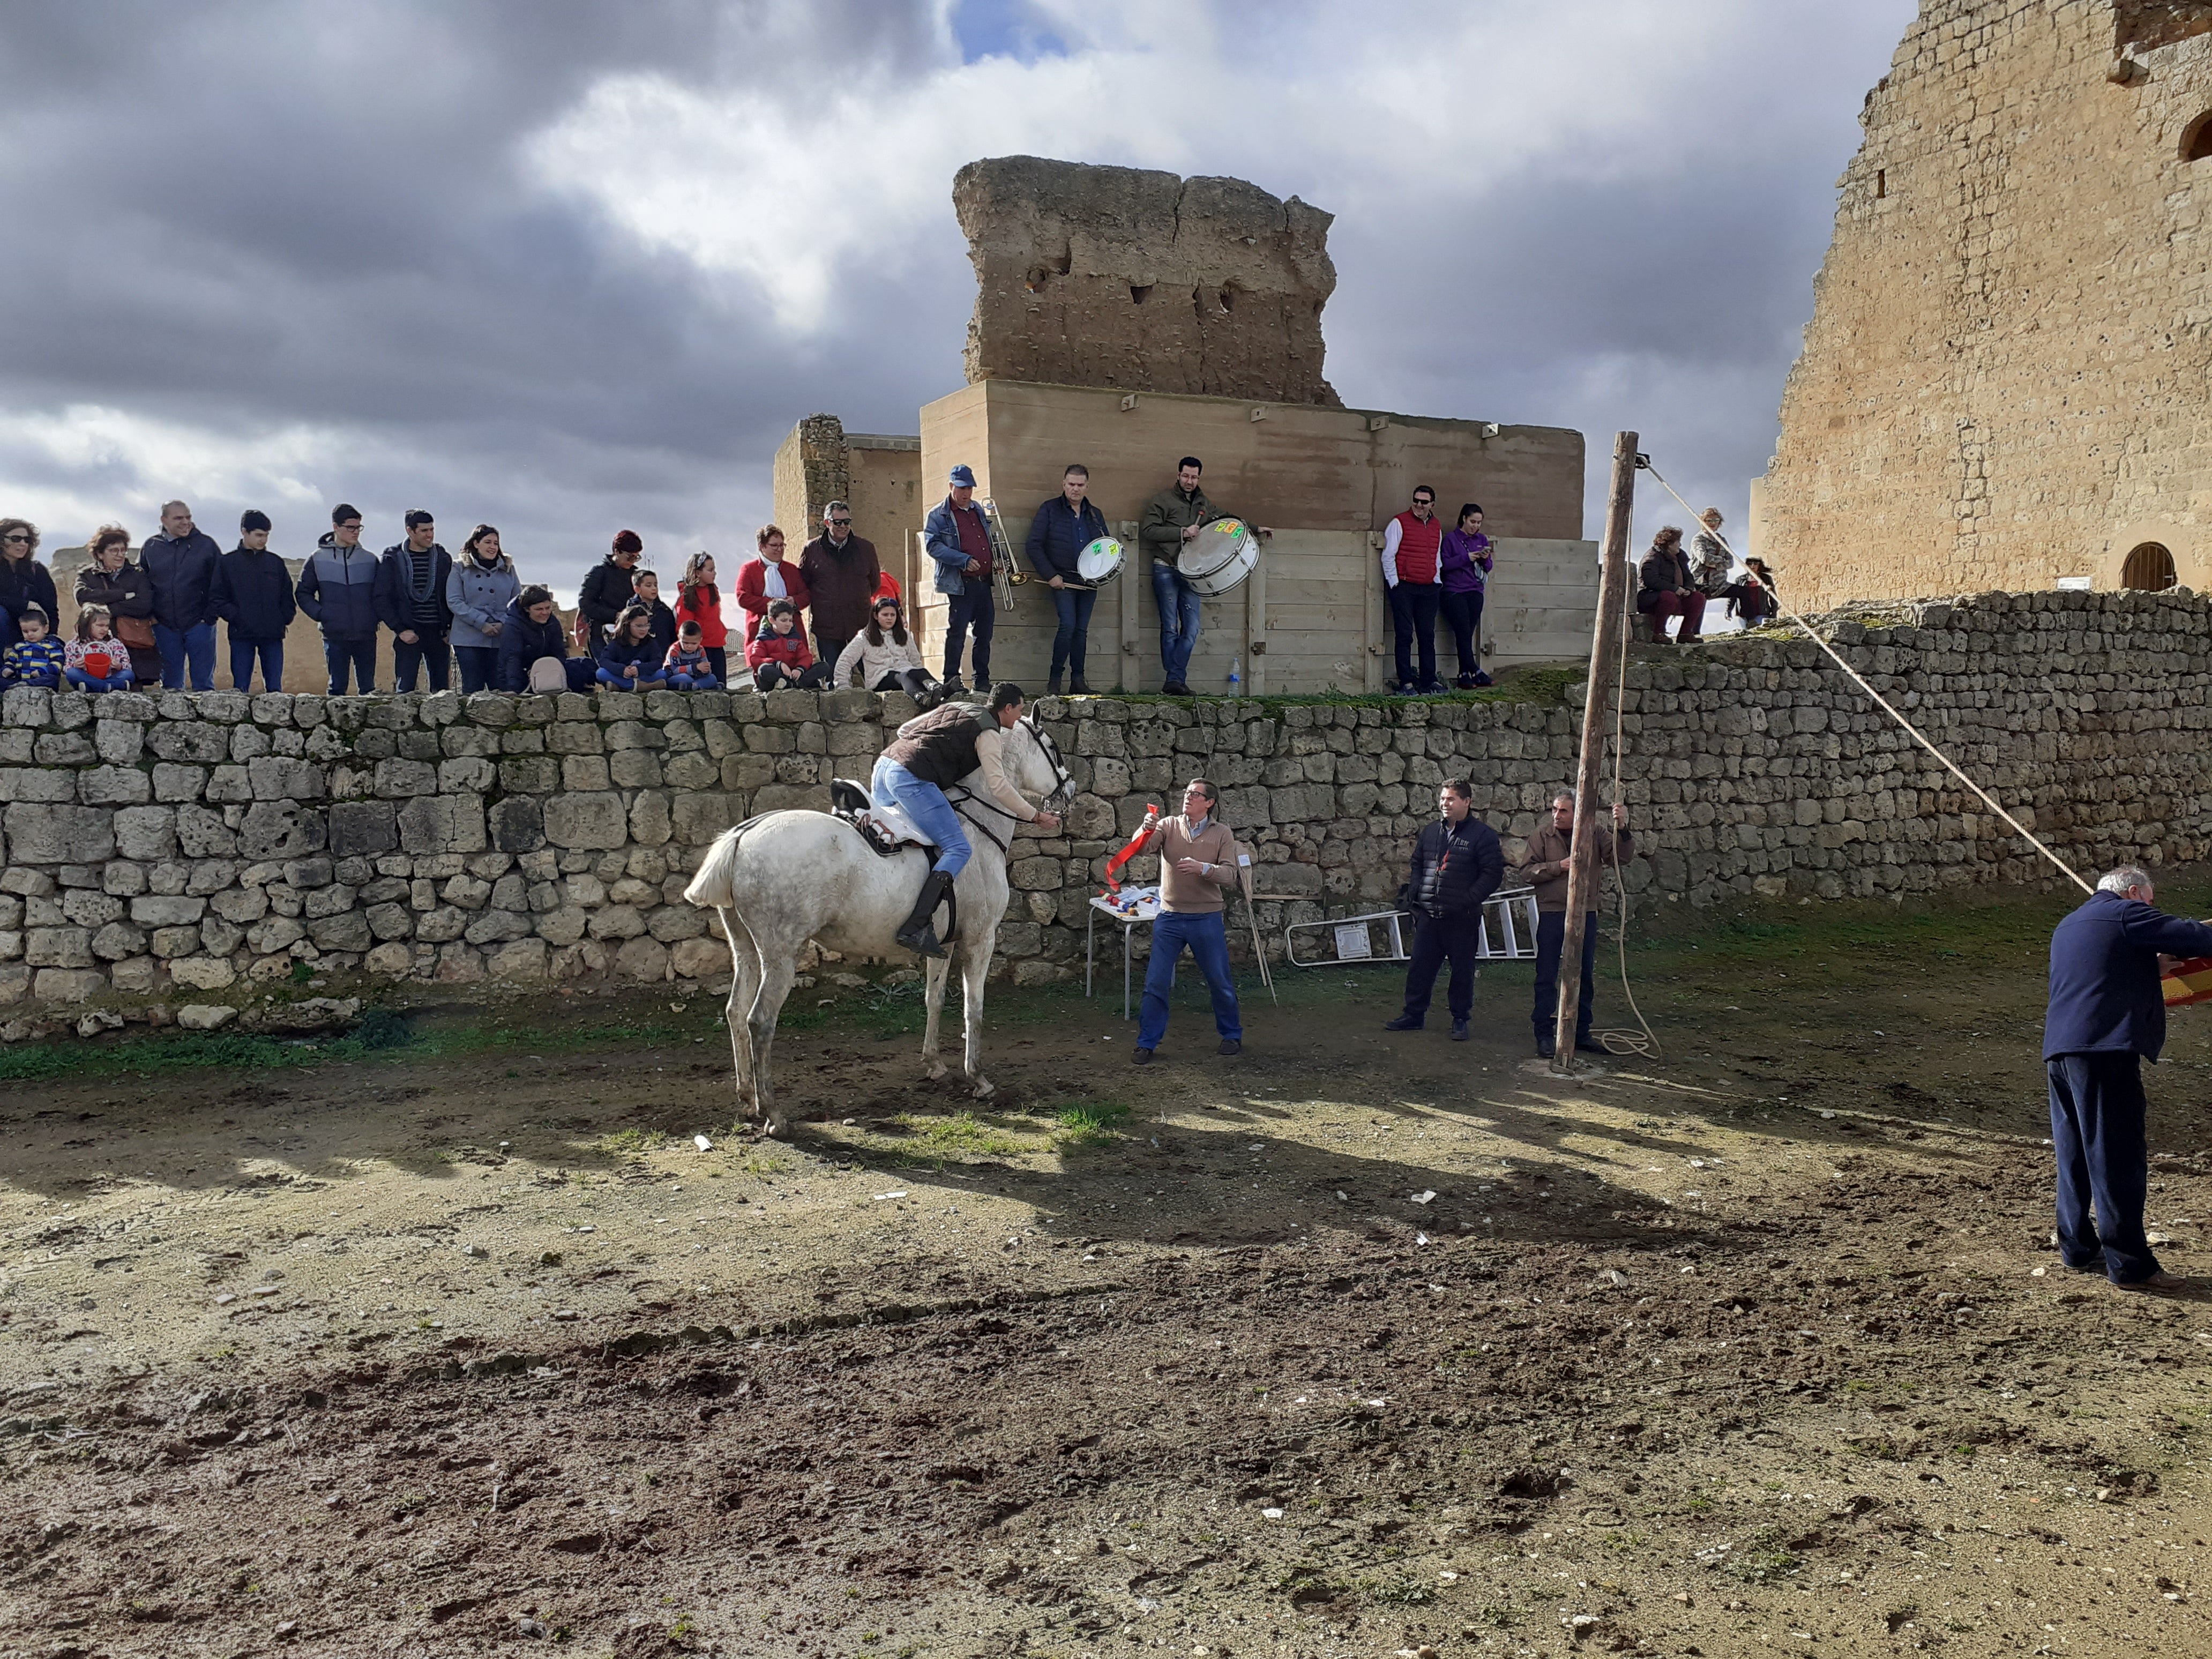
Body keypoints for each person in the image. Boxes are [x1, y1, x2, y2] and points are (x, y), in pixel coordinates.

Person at [2044, 865, 2212, 1290]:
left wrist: (2146, 968)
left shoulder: (2070, 923)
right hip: (2105, 1051)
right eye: (2151, 903)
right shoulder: (2124, 914)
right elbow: (2196, 937)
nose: (2152, 910)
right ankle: (2131, 1265)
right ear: (2134, 893)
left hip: (2062, 1051)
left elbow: (2101, 974)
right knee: (2118, 1156)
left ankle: (2078, 1248)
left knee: (2076, 1153)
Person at [870, 682, 1062, 958]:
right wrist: (1036, 816)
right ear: (1007, 708)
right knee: (958, 848)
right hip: (909, 779)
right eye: (1019, 711)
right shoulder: (989, 734)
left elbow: (904, 731)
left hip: (885, 766)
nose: (1019, 717)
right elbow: (999, 787)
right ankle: (917, 925)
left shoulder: (958, 706)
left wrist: (942, 763)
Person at [1132, 778, 1245, 1063]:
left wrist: (1203, 869)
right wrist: (1144, 829)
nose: (1188, 797)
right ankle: (1147, 1043)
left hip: (1206, 917)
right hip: (1169, 917)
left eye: (1196, 795)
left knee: (1219, 980)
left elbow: (1231, 875)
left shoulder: (1222, 834)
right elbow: (1142, 849)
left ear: (1209, 803)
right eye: (1187, 793)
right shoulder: (1168, 825)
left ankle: (1231, 1035)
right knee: (1155, 982)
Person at [1137, 457, 1270, 696]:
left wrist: (1255, 527)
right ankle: (1175, 679)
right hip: (1165, 567)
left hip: (1192, 574)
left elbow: (1227, 519)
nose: (1190, 481)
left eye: (1195, 477)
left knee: (1192, 628)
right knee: (1169, 627)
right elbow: (1148, 530)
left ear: (1199, 477)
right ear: (1178, 475)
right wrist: (1182, 532)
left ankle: (1173, 680)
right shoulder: (1162, 501)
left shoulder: (1203, 503)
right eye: (1186, 476)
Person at [1384, 779, 1506, 1040]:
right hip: (1429, 915)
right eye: (1442, 799)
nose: (1444, 804)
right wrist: (1417, 891)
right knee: (1420, 968)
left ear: (1467, 802)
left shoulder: (1482, 836)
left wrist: (1468, 899)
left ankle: (1460, 1019)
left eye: (1450, 799)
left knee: (1462, 970)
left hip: (1462, 918)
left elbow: (1493, 873)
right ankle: (1413, 1015)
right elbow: (1418, 862)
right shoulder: (1431, 832)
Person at [1520, 791, 1633, 1058]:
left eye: (1564, 811)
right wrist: (1558, 866)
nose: (1557, 816)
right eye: (1555, 810)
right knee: (1547, 972)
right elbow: (1527, 872)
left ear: (1578, 812)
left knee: (1584, 972)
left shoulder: (1594, 833)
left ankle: (1580, 1032)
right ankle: (1545, 1033)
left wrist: (1623, 828)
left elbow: (1621, 858)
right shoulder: (1542, 835)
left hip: (1585, 911)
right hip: (1552, 911)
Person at [1026, 462, 1109, 694]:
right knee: (1068, 626)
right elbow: (1033, 545)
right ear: (1064, 484)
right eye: (1071, 484)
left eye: (1080, 485)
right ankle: (1055, 680)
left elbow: (1107, 547)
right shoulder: (1049, 509)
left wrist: (1110, 562)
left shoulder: (1095, 515)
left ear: (1087, 486)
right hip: (1062, 581)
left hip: (1089, 583)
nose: (1076, 489)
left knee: (1081, 630)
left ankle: (1078, 680)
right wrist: (1051, 575)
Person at [296, 504, 382, 694]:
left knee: (368, 690)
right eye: (351, 527)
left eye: (359, 527)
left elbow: (382, 595)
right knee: (337, 689)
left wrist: (374, 617)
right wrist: (322, 614)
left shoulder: (371, 560)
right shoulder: (317, 559)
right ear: (336, 527)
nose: (356, 532)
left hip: (366, 633)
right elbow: (303, 593)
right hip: (334, 634)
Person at [923, 465, 995, 694]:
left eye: (970, 488)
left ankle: (981, 679)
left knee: (984, 633)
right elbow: (932, 546)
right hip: (961, 584)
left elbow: (986, 539)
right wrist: (963, 560)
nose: (967, 493)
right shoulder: (938, 515)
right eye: (962, 488)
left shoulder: (978, 510)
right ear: (951, 486)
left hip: (984, 581)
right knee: (957, 633)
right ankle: (952, 678)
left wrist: (995, 560)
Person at [211, 509, 295, 692]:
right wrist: (237, 616)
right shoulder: (227, 563)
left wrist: (284, 618)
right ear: (244, 532)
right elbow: (217, 597)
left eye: (266, 535)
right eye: (258, 535)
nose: (263, 540)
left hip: (273, 634)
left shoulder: (276, 563)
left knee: (275, 690)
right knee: (240, 689)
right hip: (242, 634)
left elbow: (287, 595)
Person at [141, 499, 221, 690]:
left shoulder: (207, 545)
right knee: (170, 685)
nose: (186, 522)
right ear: (164, 520)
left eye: (188, 517)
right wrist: (151, 617)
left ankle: (208, 720)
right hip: (164, 626)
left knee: (204, 684)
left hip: (200, 624)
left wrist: (209, 617)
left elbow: (221, 584)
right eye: (179, 518)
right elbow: (142, 584)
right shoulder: (151, 547)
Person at [798, 500, 880, 674]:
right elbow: (803, 584)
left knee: (873, 677)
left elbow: (875, 583)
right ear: (827, 523)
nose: (844, 526)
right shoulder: (812, 550)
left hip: (860, 624)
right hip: (827, 627)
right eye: (838, 522)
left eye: (847, 522)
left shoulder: (865, 549)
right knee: (833, 679)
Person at [376, 510, 453, 692]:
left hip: (438, 633)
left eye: (432, 530)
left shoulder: (443, 558)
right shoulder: (392, 559)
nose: (430, 535)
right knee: (406, 690)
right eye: (424, 531)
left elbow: (451, 594)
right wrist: (400, 629)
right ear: (410, 531)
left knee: (442, 692)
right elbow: (381, 597)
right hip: (409, 633)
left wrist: (450, 628)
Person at [73, 525, 160, 685]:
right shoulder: (87, 575)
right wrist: (123, 596)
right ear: (100, 553)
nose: (120, 555)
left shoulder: (137, 574)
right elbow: (82, 596)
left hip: (133, 644)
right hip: (98, 642)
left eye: (123, 550)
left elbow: (144, 605)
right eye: (114, 551)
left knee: (134, 690)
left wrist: (106, 609)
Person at [1382, 485, 1445, 694]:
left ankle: (1429, 681)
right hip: (1405, 587)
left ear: (1432, 505)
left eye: (1424, 502)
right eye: (1416, 500)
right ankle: (1406, 683)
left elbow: (1436, 556)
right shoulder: (1399, 522)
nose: (1419, 505)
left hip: (1429, 588)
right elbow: (1388, 555)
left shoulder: (1436, 526)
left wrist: (1437, 580)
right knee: (1404, 635)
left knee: (1427, 635)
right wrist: (1395, 584)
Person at [446, 524, 519, 695]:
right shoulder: (459, 568)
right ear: (476, 544)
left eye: (496, 543)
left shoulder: (508, 569)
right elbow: (454, 601)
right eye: (488, 542)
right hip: (468, 638)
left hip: (500, 637)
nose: (493, 547)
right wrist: (482, 622)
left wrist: (502, 622)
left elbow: (517, 602)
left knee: (500, 688)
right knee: (472, 688)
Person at [834, 595, 940, 701]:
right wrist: (844, 687)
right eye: (885, 615)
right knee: (904, 676)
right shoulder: (864, 637)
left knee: (921, 672)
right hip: (881, 679)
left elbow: (915, 660)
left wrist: (920, 675)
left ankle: (940, 690)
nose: (889, 618)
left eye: (893, 615)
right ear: (876, 616)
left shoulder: (905, 634)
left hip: (908, 672)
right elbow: (845, 661)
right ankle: (920, 697)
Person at [1439, 503, 1494, 689]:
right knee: (1463, 631)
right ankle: (1475, 670)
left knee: (1467, 634)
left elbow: (1489, 568)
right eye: (1473, 522)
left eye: (1479, 523)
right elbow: (1444, 565)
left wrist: (1485, 558)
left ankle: (1465, 674)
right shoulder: (1451, 539)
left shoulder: (1481, 539)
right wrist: (1466, 558)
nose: (1475, 526)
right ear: (1464, 519)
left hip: (1475, 590)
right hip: (1454, 591)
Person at [496, 584, 575, 693]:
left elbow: (559, 652)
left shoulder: (552, 622)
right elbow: (512, 659)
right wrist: (514, 690)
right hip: (523, 678)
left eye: (548, 608)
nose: (545, 613)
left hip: (548, 676)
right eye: (539, 609)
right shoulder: (513, 626)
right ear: (527, 609)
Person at [736, 524, 810, 636]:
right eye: (774, 545)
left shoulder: (792, 570)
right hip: (760, 631)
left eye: (782, 545)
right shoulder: (749, 570)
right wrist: (774, 604)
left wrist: (794, 602)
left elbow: (806, 595)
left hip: (792, 632)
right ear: (762, 546)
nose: (780, 549)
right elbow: (743, 597)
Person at [1637, 527, 1705, 645]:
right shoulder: (1652, 557)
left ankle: (1686, 634)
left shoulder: (1680, 557)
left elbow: (1688, 577)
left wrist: (1688, 589)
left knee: (1698, 598)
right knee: (1669, 597)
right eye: (1677, 542)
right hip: (1651, 598)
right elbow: (1651, 581)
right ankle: (1659, 633)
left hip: (1676, 595)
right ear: (1668, 544)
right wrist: (1674, 589)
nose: (1680, 545)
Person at [747, 597, 831, 693]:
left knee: (824, 667)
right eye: (784, 620)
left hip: (794, 675)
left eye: (790, 621)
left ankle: (792, 684)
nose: (788, 624)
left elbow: (806, 657)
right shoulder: (763, 639)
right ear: (772, 620)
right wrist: (778, 664)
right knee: (764, 670)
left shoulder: (795, 637)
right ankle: (799, 684)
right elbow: (755, 659)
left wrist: (800, 669)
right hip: (775, 677)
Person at [0, 518, 57, 648]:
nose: (23, 544)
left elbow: (51, 609)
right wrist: (26, 605)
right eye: (16, 539)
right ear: (2, 540)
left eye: (27, 540)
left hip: (31, 636)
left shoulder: (37, 570)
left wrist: (52, 641)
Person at [676, 551, 730, 684]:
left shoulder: (713, 591)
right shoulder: (688, 597)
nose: (715, 573)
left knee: (720, 684)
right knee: (705, 684)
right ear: (698, 573)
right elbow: (684, 627)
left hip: (717, 645)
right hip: (699, 649)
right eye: (710, 570)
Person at [63, 606, 134, 693]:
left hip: (110, 677)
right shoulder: (74, 645)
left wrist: (119, 666)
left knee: (128, 675)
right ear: (86, 625)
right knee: (72, 673)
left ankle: (97, 687)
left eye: (107, 626)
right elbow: (66, 668)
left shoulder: (115, 643)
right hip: (87, 677)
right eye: (100, 625)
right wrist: (75, 665)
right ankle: (108, 687)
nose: (105, 629)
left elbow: (128, 666)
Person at [596, 603, 667, 689]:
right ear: (627, 625)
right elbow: (604, 660)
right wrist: (622, 670)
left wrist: (640, 669)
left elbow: (658, 662)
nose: (644, 629)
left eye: (646, 625)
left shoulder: (651, 643)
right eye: (639, 626)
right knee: (601, 673)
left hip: (642, 676)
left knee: (662, 674)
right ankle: (639, 686)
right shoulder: (616, 644)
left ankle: (623, 687)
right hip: (623, 676)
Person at [2, 606, 63, 687]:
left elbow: (58, 664)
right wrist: (8, 669)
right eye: (25, 631)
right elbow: (11, 661)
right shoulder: (19, 646)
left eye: (34, 631)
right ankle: (16, 686)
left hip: (40, 678)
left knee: (52, 679)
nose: (30, 634)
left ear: (46, 629)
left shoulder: (52, 646)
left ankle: (27, 684)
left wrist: (42, 672)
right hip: (20, 678)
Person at [630, 569, 678, 662]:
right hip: (637, 661)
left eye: (656, 585)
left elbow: (672, 636)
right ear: (637, 589)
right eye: (649, 585)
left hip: (663, 659)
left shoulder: (664, 611)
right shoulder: (630, 612)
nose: (654, 588)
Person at [1690, 508, 1733, 601]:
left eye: (1716, 520)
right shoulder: (1698, 539)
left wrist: (1715, 566)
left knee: (1743, 592)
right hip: (1700, 583)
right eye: (1709, 520)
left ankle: (1748, 616)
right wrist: (1722, 560)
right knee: (1699, 608)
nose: (1713, 523)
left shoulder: (1722, 540)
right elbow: (1704, 558)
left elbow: (1731, 562)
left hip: (1720, 585)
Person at [662, 621, 719, 690]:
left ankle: (693, 686)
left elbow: (707, 670)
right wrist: (695, 668)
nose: (689, 646)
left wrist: (706, 671)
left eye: (694, 644)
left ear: (700, 640)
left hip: (695, 676)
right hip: (676, 676)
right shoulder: (675, 650)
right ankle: (701, 686)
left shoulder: (701, 650)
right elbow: (674, 670)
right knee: (686, 678)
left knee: (712, 678)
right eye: (685, 643)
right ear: (679, 637)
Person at [1728, 557, 1779, 627]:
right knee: (1746, 636)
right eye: (1750, 564)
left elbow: (1773, 597)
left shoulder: (1766, 579)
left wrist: (1774, 613)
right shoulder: (1739, 580)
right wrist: (1728, 610)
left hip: (1761, 614)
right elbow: (1733, 597)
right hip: (1743, 615)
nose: (1752, 566)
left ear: (1759, 566)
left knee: (1760, 634)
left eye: (1755, 564)